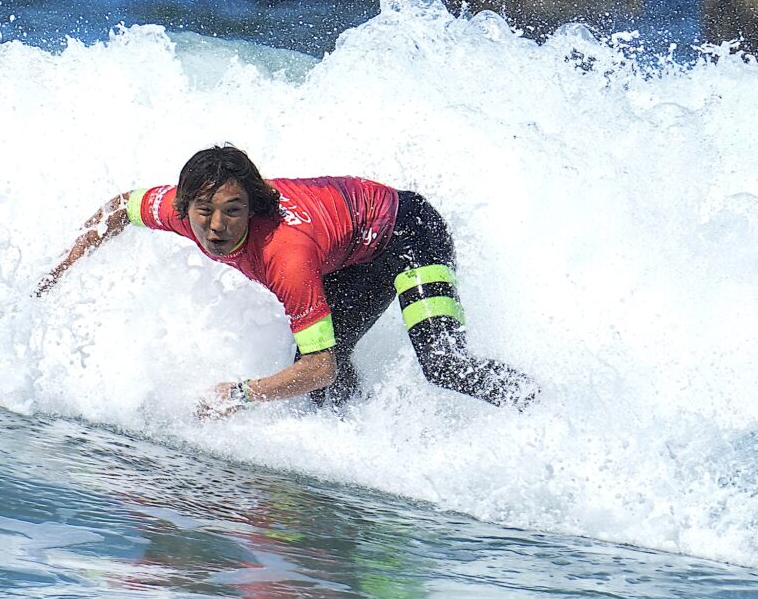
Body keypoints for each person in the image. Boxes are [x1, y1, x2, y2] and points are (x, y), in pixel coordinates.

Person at [37, 145, 537, 415]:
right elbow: (119, 209)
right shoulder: (177, 208)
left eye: (232, 212)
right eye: (203, 212)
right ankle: (358, 442)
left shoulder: (284, 255)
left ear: (251, 208)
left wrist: (238, 395)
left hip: (408, 236)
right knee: (322, 383)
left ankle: (543, 408)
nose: (215, 226)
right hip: (348, 256)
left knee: (442, 366)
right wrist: (61, 269)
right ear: (182, 207)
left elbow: (319, 366)